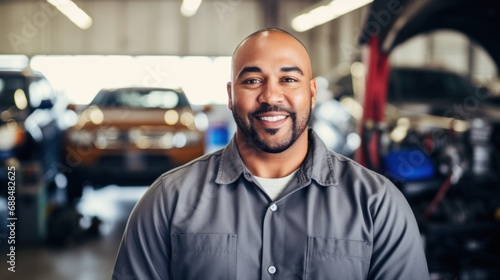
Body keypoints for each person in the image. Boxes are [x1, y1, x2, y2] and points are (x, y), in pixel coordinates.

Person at [112, 28, 429, 280]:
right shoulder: (169, 200)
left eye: (288, 79)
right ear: (231, 96)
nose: (271, 96)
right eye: (252, 80)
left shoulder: (377, 204)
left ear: (312, 93)